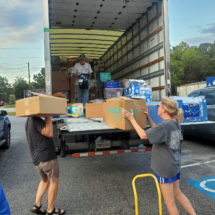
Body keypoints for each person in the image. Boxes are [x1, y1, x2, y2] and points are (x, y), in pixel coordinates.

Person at [122, 97, 196, 215]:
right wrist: (148, 118)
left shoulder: (165, 125)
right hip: (174, 164)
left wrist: (131, 119)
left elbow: (143, 136)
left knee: (169, 202)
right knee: (178, 193)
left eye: (159, 106)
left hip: (164, 168)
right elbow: (159, 131)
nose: (157, 107)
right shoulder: (174, 122)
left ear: (164, 110)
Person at [25, 115, 66, 215]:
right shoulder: (36, 119)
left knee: (45, 180)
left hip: (37, 159)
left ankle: (37, 205)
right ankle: (51, 210)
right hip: (47, 158)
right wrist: (48, 117)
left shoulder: (29, 120)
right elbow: (49, 133)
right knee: (54, 181)